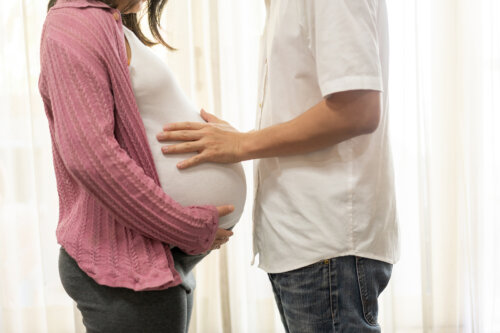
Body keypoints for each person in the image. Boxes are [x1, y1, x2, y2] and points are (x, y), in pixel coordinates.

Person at [157, 1, 400, 332]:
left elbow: (358, 109)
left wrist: (242, 144)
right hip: (305, 242)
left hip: (327, 241)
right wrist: (239, 139)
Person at [38, 0, 246, 331]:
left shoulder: (108, 24)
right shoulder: (72, 25)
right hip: (124, 261)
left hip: (152, 253)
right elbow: (92, 159)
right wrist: (187, 227)